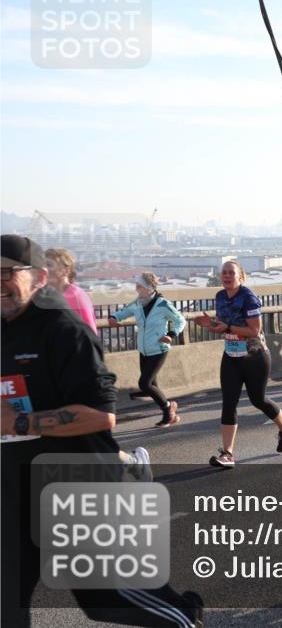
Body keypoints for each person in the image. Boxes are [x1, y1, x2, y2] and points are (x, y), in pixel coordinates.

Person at [1, 234, 204, 628]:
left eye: (8, 272)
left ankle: (184, 618)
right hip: (15, 491)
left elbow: (99, 414)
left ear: (40, 277)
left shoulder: (63, 331)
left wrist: (18, 422)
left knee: (106, 600)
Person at [194, 260, 282, 468]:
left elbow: (254, 331)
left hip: (253, 355)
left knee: (258, 400)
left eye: (231, 272)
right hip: (231, 356)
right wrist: (212, 325)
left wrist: (225, 327)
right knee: (228, 402)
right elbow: (225, 326)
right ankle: (227, 453)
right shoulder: (220, 296)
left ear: (241, 276)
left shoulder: (248, 297)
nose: (226, 276)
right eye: (223, 272)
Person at [108, 273, 185, 428]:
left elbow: (180, 320)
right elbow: (124, 312)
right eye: (136, 286)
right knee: (151, 385)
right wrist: (114, 317)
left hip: (159, 349)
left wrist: (171, 334)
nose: (136, 289)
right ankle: (171, 409)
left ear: (149, 288)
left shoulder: (163, 304)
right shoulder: (137, 303)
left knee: (144, 384)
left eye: (139, 286)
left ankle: (168, 411)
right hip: (144, 351)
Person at [43, 248, 97, 334]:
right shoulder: (50, 295)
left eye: (49, 265)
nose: (44, 269)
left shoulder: (76, 296)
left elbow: (89, 332)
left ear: (66, 271)